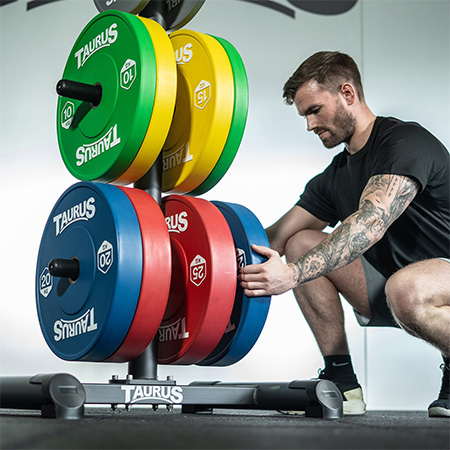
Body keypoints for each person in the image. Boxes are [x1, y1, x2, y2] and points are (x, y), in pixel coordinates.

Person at [239, 51, 450, 416]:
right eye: (304, 115)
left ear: (348, 94)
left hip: (433, 279)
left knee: (405, 286)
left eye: (314, 110)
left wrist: (290, 275)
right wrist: (208, 260)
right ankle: (343, 382)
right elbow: (272, 238)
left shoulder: (404, 143)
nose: (309, 125)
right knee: (300, 243)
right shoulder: (335, 176)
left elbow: (370, 222)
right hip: (393, 290)